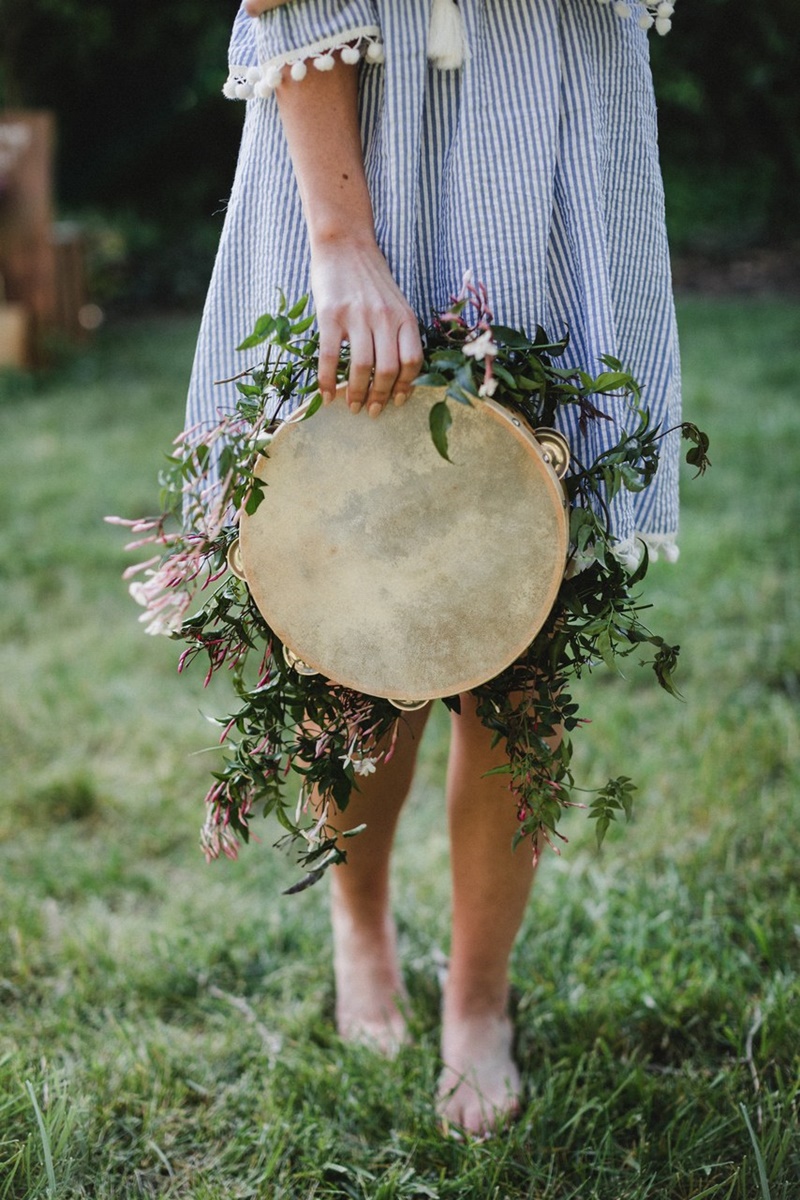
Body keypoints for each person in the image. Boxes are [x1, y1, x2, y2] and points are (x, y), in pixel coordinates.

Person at [186, 0, 681, 1136]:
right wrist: (339, 237)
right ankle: (359, 922)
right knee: (358, 634)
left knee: (527, 628)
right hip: (372, 128)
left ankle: (477, 997)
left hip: (553, 126)